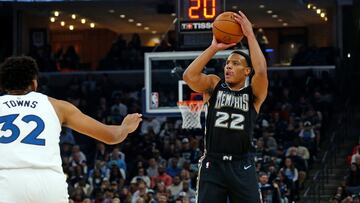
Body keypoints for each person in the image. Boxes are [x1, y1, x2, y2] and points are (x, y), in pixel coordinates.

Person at [0, 56, 142, 203]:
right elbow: (112, 137)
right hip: (48, 183)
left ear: (3, 86)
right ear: (34, 83)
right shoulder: (57, 106)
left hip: (6, 181)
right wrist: (125, 127)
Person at [183, 11, 268, 203]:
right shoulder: (214, 85)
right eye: (227, 63)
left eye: (235, 64)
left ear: (247, 71)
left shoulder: (253, 95)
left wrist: (250, 35)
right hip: (213, 163)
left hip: (242, 165)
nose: (228, 67)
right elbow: (189, 76)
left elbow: (261, 70)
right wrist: (214, 48)